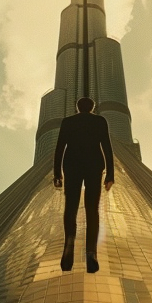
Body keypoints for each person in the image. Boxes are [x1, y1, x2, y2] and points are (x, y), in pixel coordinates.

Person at [52, 97, 114, 273]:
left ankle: (69, 243)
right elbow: (107, 147)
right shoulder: (99, 121)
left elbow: (60, 147)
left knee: (70, 207)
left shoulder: (68, 122)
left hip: (72, 165)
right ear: (92, 108)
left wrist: (57, 173)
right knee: (92, 209)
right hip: (94, 165)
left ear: (77, 108)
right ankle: (91, 253)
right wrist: (110, 173)